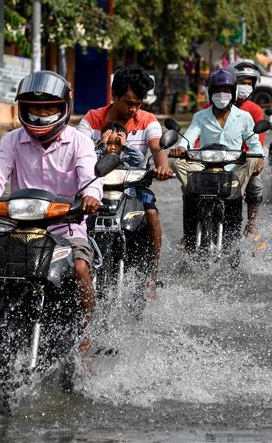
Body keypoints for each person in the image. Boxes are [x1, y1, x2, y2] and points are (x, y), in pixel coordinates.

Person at [0, 70, 102, 354]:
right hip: (19, 231)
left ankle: (85, 335)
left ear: (62, 107)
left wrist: (91, 195)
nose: (41, 114)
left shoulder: (80, 142)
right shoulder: (12, 141)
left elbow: (90, 175)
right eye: (34, 108)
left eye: (48, 107)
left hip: (65, 230)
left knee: (80, 268)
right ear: (23, 110)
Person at [78, 64, 174, 300]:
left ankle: (150, 276)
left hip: (133, 189)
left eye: (138, 104)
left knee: (152, 214)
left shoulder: (147, 120)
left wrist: (163, 166)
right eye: (129, 103)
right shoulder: (91, 119)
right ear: (114, 96)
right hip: (94, 189)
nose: (134, 109)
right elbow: (76, 150)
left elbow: (156, 145)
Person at [169, 68, 263, 250]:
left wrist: (258, 158)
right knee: (174, 161)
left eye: (226, 91)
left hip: (232, 170)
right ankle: (192, 188)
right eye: (218, 91)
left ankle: (239, 202)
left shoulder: (244, 117)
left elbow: (254, 144)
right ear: (211, 93)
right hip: (204, 169)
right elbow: (189, 137)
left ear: (233, 93)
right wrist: (181, 147)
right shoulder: (200, 116)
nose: (222, 95)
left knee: (253, 160)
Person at [228, 61, 266, 247]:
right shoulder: (214, 106)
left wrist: (258, 159)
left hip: (244, 159)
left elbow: (258, 140)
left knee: (256, 185)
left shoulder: (255, 110)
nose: (245, 86)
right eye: (242, 82)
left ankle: (251, 226)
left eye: (249, 83)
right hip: (217, 158)